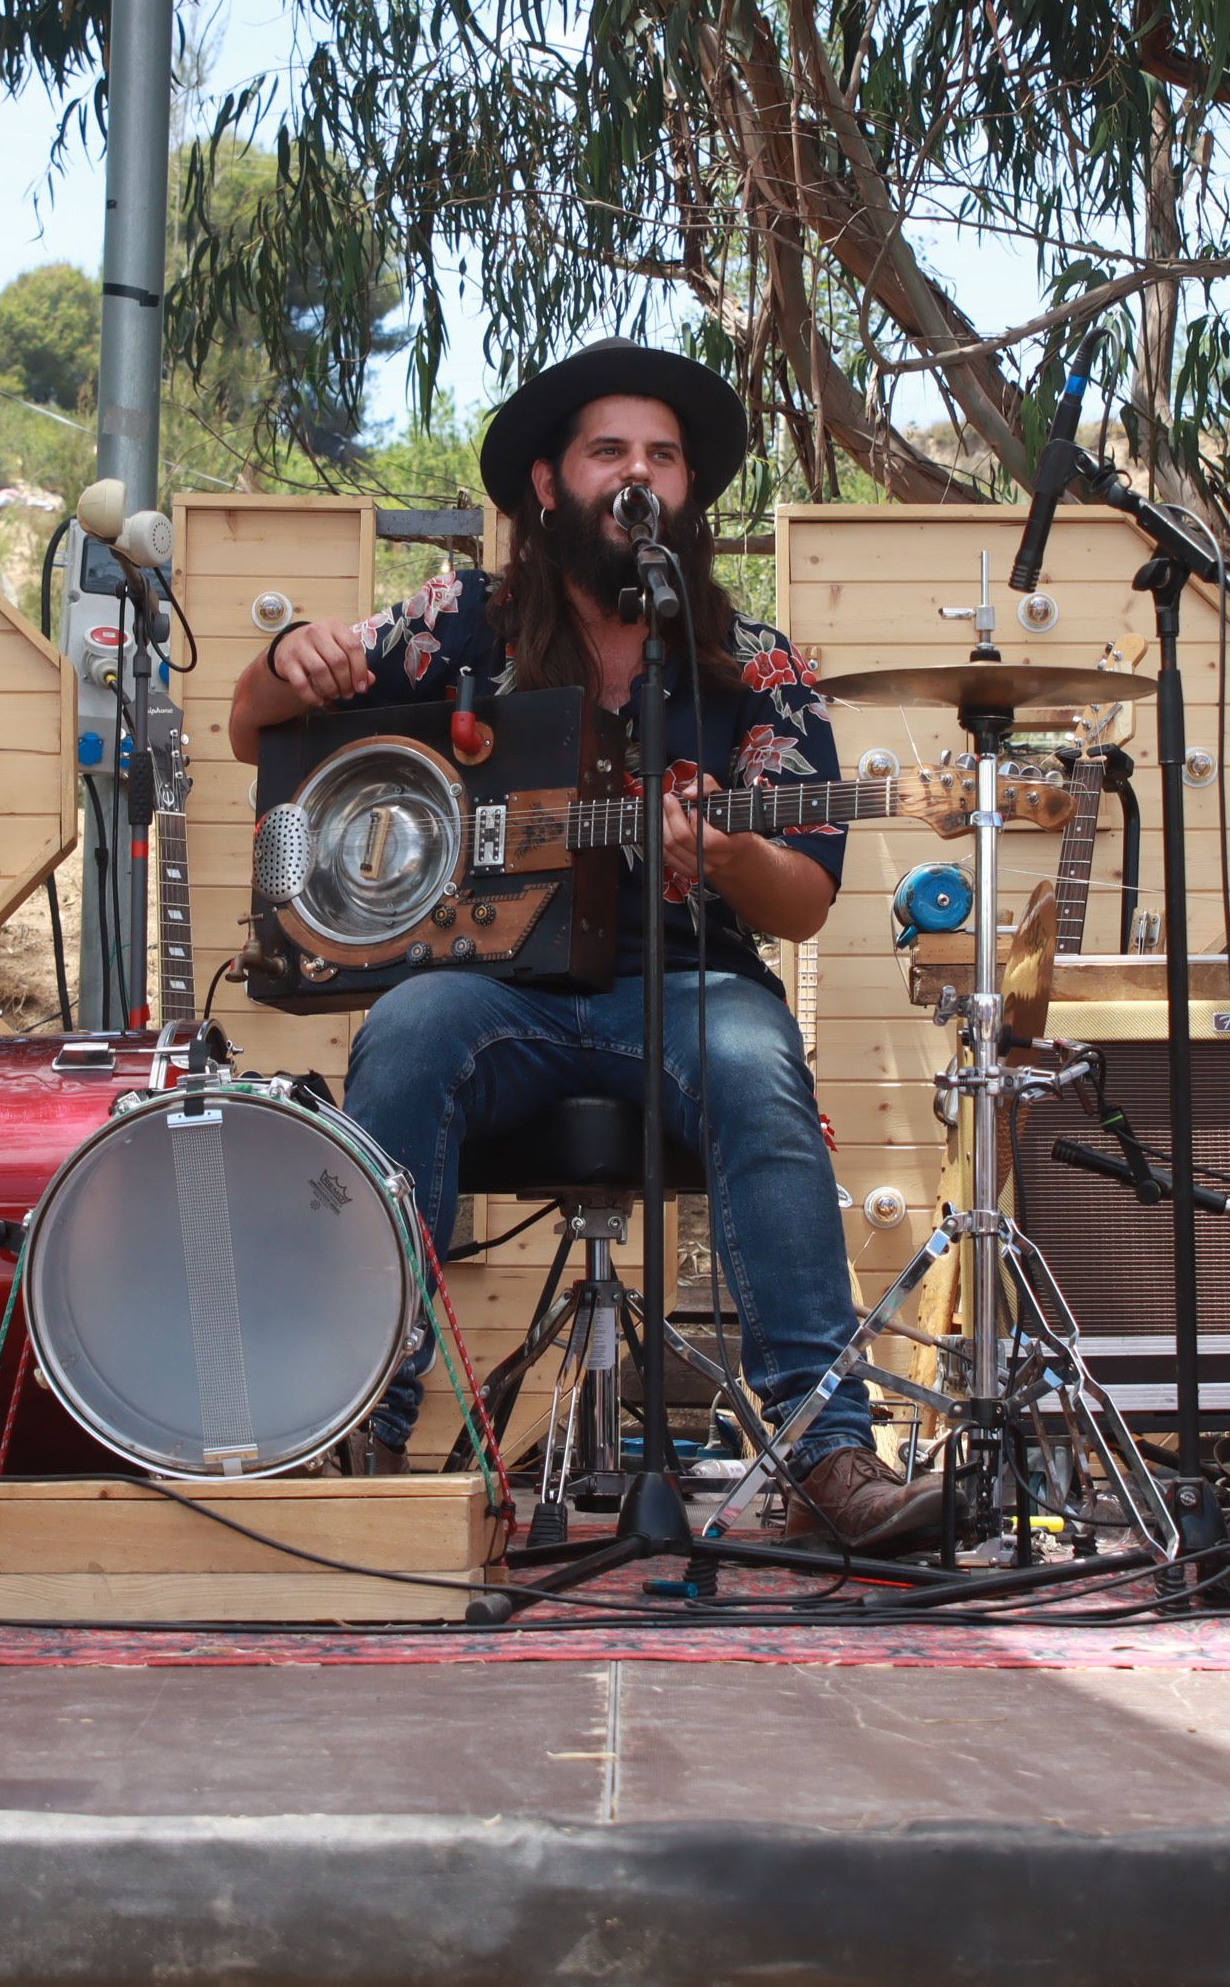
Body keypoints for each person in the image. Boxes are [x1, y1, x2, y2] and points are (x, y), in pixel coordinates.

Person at [227, 341, 944, 1554]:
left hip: (688, 983)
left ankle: (826, 1454)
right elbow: (258, 729)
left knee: (759, 1062)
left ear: (685, 498)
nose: (639, 474)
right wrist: (285, 655)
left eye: (662, 458)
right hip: (486, 990)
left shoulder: (754, 664)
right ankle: (361, 1432)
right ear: (551, 487)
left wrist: (716, 854)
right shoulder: (456, 620)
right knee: (406, 1031)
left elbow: (804, 900)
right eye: (610, 451)